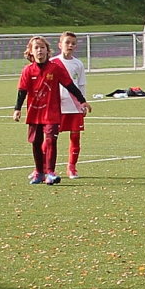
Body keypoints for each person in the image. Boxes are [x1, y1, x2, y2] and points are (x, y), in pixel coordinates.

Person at [12, 36, 92, 185]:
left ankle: (50, 173)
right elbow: (22, 91)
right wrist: (17, 109)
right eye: (36, 48)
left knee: (51, 140)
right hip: (34, 113)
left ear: (48, 51)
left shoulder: (55, 68)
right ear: (31, 51)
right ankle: (39, 173)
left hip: (52, 112)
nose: (39, 50)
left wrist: (82, 101)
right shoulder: (28, 70)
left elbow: (70, 85)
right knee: (36, 142)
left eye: (42, 47)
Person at [54, 32, 86, 179]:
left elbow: (81, 84)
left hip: (74, 106)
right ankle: (42, 168)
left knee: (75, 137)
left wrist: (82, 103)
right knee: (50, 138)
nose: (70, 45)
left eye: (73, 43)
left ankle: (72, 167)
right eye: (67, 42)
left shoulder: (78, 64)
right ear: (60, 45)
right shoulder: (53, 62)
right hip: (56, 107)